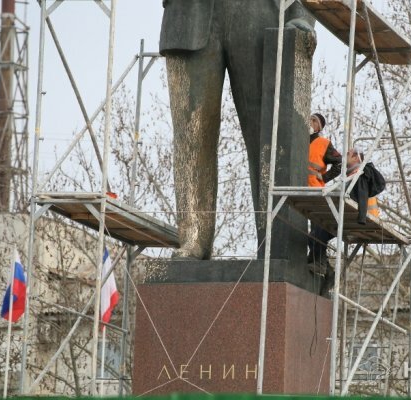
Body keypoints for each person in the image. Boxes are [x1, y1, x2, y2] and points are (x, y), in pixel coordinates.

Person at [160, 0, 314, 259]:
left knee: (270, 137)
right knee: (191, 139)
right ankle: (193, 236)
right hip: (189, 15)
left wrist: (304, 14)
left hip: (264, 11)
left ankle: (277, 244)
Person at [307, 113, 341, 292]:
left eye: (314, 121)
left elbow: (339, 163)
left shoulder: (323, 143)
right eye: (309, 119)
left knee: (315, 233)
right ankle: (325, 269)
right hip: (295, 188)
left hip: (313, 189)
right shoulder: (298, 139)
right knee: (310, 235)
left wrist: (325, 177)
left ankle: (322, 265)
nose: (310, 123)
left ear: (319, 127)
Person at [346, 148, 385, 224]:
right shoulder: (354, 174)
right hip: (356, 217)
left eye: (348, 154)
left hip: (364, 220)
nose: (344, 157)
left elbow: (362, 194)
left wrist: (362, 218)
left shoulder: (362, 174)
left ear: (355, 158)